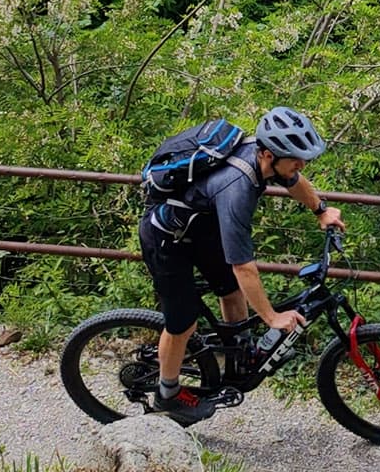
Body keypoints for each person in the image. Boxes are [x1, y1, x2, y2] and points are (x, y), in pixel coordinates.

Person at [138, 106, 345, 424]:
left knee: (232, 292)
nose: (300, 166)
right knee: (183, 322)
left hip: (200, 226)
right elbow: (244, 266)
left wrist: (320, 210)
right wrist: (272, 317)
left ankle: (238, 355)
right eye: (294, 159)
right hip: (167, 238)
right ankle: (167, 394)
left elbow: (293, 179)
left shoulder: (265, 158)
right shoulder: (237, 188)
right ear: (266, 155)